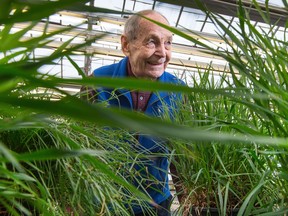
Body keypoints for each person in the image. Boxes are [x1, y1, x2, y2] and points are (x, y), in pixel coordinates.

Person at [81, 9, 184, 216]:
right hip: (103, 204)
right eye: (152, 42)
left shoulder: (178, 92)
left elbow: (182, 158)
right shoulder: (96, 84)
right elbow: (76, 147)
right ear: (126, 45)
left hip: (156, 205)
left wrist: (191, 203)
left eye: (168, 43)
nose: (163, 53)